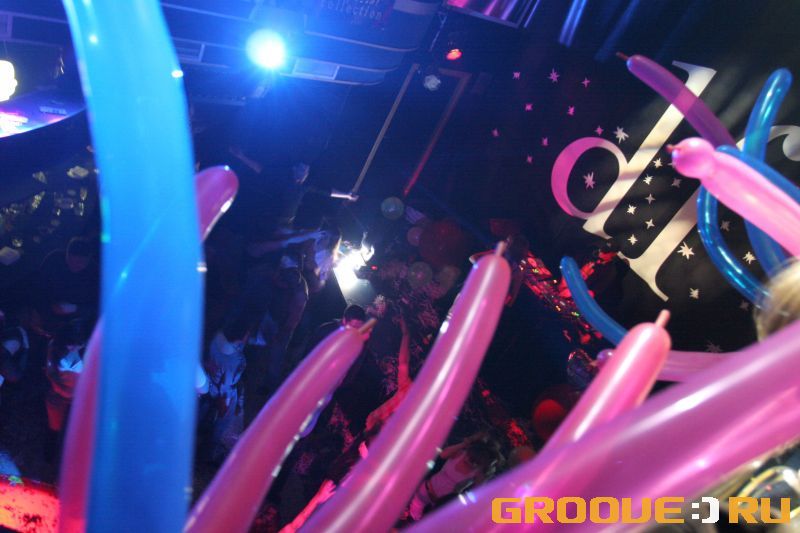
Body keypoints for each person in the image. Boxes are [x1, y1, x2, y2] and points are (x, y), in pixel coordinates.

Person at [407, 433, 502, 520]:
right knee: (413, 516)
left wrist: (486, 474)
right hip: (426, 491)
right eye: (470, 458)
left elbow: (477, 490)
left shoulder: (478, 472)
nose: (471, 463)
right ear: (469, 452)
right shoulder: (459, 454)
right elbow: (443, 454)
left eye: (476, 462)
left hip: (441, 504)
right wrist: (464, 444)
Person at [203, 312, 256, 462]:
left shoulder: (217, 338)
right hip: (224, 392)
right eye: (247, 333)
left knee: (204, 411)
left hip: (208, 383)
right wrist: (228, 402)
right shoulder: (235, 360)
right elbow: (228, 382)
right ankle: (211, 452)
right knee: (223, 422)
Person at [44, 319, 88, 463]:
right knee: (54, 429)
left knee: (77, 431)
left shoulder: (89, 355)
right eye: (70, 343)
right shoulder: (55, 348)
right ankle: (50, 458)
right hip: (57, 397)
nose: (72, 347)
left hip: (79, 400)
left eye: (78, 344)